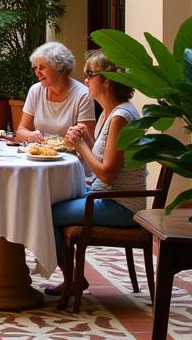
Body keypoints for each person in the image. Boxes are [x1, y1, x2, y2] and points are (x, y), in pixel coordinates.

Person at [46, 49, 144, 296]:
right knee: (46, 202)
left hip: (120, 205)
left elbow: (108, 175)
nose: (86, 80)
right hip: (103, 196)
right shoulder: (109, 114)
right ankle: (73, 276)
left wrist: (80, 145)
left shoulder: (121, 117)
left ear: (107, 80)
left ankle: (74, 278)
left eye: (90, 74)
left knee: (45, 214)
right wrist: (86, 138)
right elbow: (101, 162)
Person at [16, 41, 96, 143]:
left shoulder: (83, 94)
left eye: (42, 67)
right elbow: (20, 131)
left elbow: (87, 141)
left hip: (71, 157)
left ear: (59, 67)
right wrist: (30, 135)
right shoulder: (35, 91)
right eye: (35, 68)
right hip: (40, 155)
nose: (37, 72)